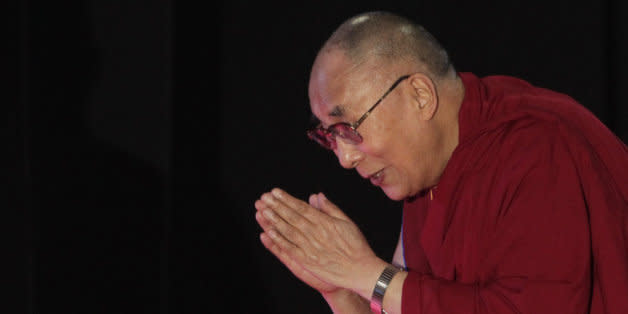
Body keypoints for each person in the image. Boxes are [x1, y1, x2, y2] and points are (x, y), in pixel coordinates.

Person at [254, 10, 628, 314]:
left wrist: (368, 273)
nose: (345, 158)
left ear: (419, 96)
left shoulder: (536, 147)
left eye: (349, 127)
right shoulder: (426, 177)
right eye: (329, 135)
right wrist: (342, 290)